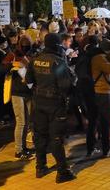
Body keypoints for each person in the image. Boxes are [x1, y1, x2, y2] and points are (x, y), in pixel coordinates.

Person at [25, 33, 76, 183]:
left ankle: (40, 167)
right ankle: (62, 172)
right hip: (55, 104)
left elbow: (28, 82)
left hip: (38, 103)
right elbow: (66, 86)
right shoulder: (58, 63)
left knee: (40, 136)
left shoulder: (35, 60)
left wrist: (38, 90)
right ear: (57, 45)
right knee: (56, 138)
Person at [88, 38, 110, 157]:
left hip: (94, 91)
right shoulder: (99, 58)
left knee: (94, 120)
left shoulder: (96, 56)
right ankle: (106, 150)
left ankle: (91, 148)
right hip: (102, 92)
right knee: (104, 121)